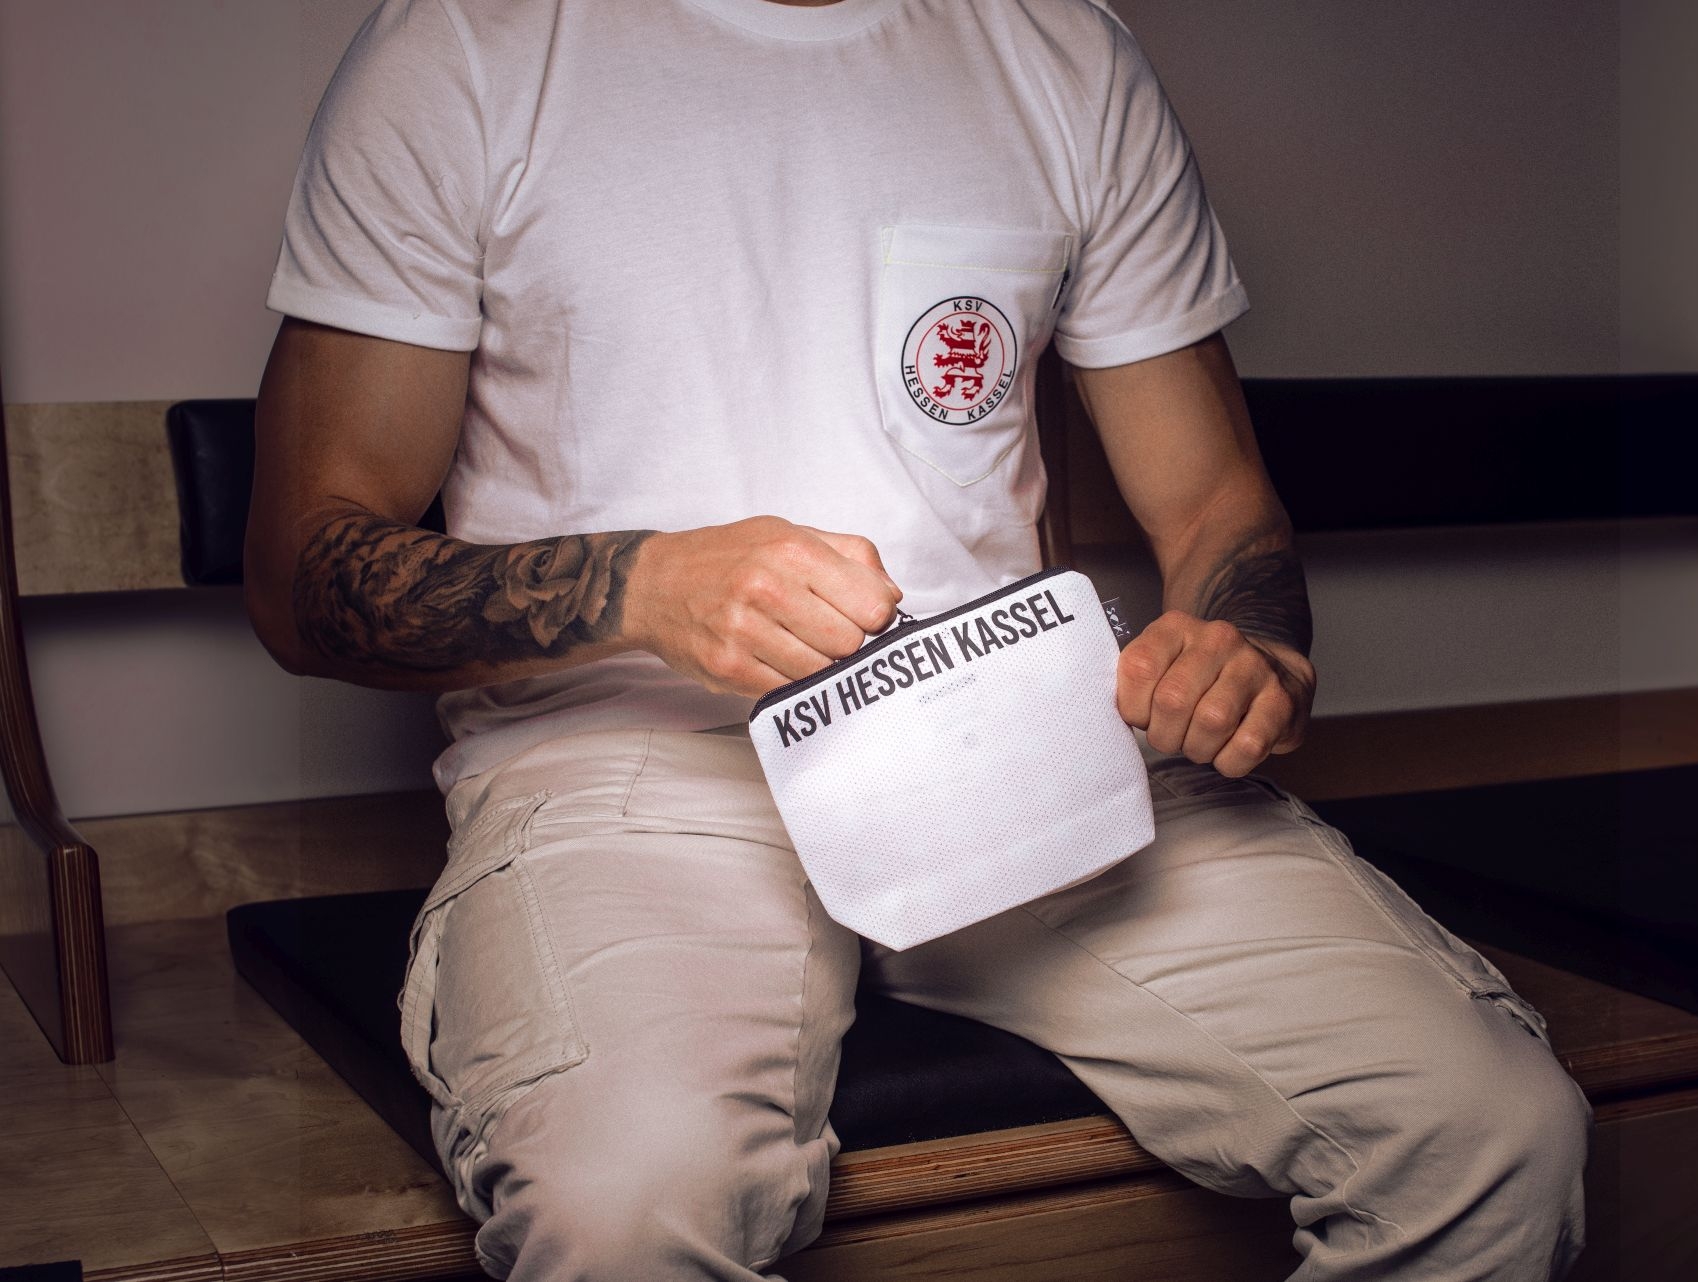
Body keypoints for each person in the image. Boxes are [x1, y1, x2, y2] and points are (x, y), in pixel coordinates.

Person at [247, 0, 1592, 1277]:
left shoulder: (1061, 54)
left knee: (1485, 1134)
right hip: (629, 769)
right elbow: (300, 572)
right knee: (626, 1213)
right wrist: (642, 587)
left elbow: (1214, 507)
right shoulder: (468, 47)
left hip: (1010, 736)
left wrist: (1247, 644)